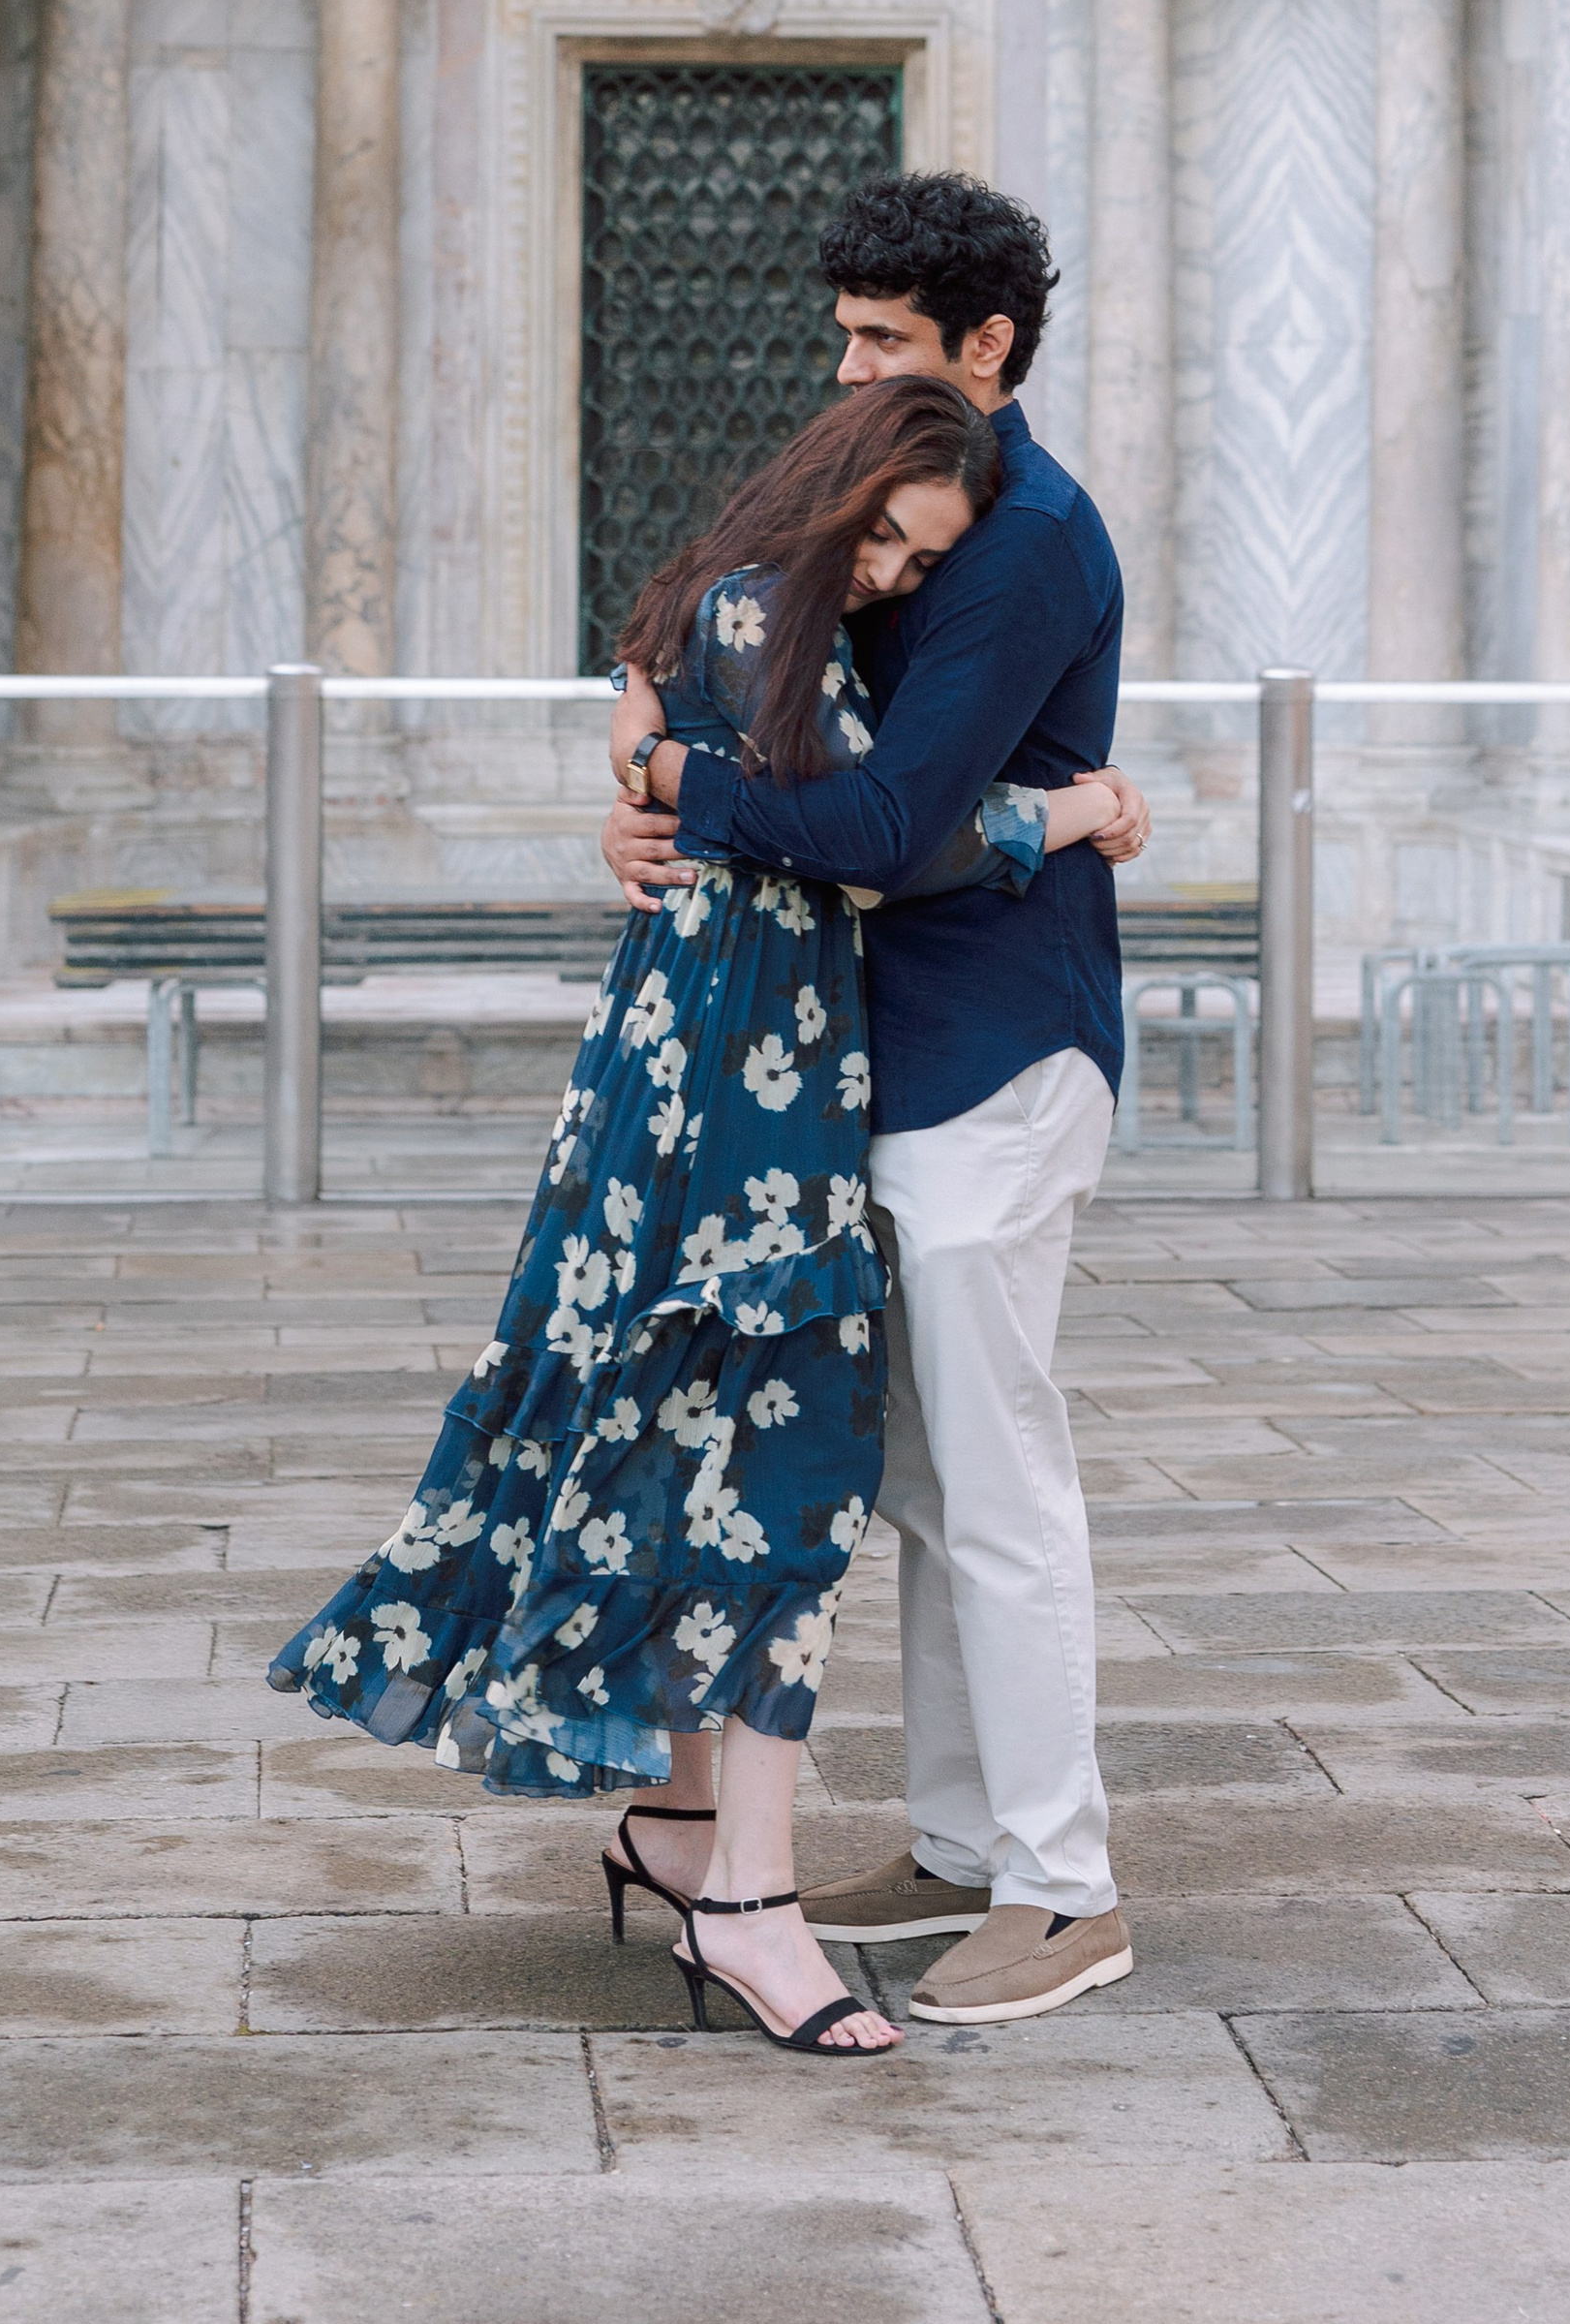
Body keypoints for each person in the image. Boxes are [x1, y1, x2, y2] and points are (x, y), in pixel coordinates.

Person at [273, 375, 1126, 2057]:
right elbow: (877, 839)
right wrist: (1072, 810)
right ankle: (745, 1888)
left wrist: (653, 752)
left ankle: (694, 1832)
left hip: (714, 1050)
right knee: (777, 1443)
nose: (893, 574)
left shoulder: (730, 600)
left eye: (918, 557)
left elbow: (730, 760)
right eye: (886, 538)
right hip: (748, 1067)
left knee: (709, 1415)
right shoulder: (766, 614)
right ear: (840, 483)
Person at [607, 173, 1148, 2028]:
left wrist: (677, 783)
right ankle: (959, 1844)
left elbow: (891, 827)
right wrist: (646, 799)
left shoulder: (1029, 538)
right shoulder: (901, 493)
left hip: (994, 1051)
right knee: (919, 1478)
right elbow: (747, 706)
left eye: (882, 337)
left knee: (998, 1479)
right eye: (841, 331)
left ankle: (1065, 1890)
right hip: (883, 1053)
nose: (842, 367)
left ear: (987, 346)